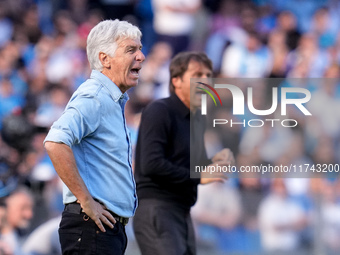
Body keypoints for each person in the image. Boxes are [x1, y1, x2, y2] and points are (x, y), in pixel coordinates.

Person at [43, 19, 145, 255]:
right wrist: (86, 201)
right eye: (131, 49)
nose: (141, 56)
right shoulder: (94, 96)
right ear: (104, 59)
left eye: (139, 49)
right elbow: (55, 142)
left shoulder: (110, 99)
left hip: (103, 230)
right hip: (91, 228)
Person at [133, 51, 234, 255]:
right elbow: (151, 164)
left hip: (182, 213)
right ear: (176, 81)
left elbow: (188, 165)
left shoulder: (196, 120)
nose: (205, 80)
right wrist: (199, 175)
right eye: (197, 75)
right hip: (158, 211)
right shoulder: (159, 110)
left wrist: (213, 161)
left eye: (208, 75)